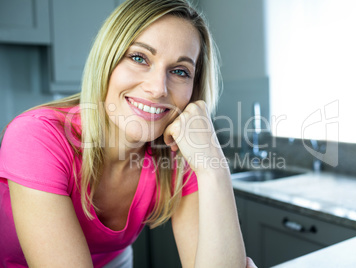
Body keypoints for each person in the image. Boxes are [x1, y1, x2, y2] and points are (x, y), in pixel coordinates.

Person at [0, 0, 257, 267]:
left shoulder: (182, 149)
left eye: (180, 71)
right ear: (107, 61)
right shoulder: (36, 136)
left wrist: (214, 168)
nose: (158, 88)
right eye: (139, 58)